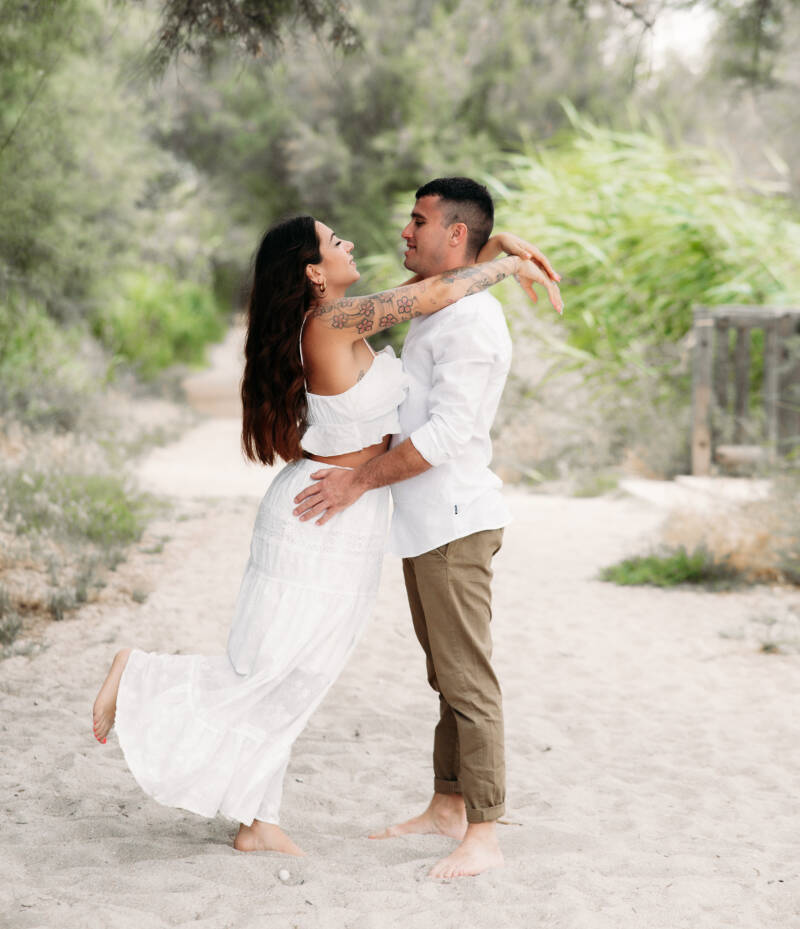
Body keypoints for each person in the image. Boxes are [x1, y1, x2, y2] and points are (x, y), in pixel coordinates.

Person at [91, 212, 558, 857]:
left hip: (348, 517)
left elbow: (440, 292)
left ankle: (259, 820)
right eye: (336, 242)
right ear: (314, 272)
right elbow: (433, 294)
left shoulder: (341, 320)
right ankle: (138, 674)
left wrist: (488, 247)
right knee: (274, 667)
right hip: (319, 516)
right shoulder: (334, 322)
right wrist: (506, 259)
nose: (352, 243)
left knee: (304, 672)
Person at [292, 178, 561, 878]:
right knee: (445, 673)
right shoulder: (445, 305)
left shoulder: (473, 321)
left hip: (452, 522)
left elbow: (445, 435)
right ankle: (447, 803)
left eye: (419, 221)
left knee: (469, 679)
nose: (404, 232)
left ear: (454, 235)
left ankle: (484, 830)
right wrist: (496, 250)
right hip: (422, 523)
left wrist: (356, 479)